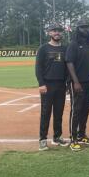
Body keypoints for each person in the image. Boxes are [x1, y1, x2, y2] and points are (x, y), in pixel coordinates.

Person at [66, 19, 89, 152]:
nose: (85, 29)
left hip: (88, 82)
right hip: (77, 83)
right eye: (82, 27)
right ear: (78, 29)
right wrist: (75, 82)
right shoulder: (73, 44)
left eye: (87, 27)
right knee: (76, 110)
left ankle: (82, 134)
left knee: (86, 109)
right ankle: (73, 138)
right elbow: (69, 63)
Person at [35, 23, 68, 151]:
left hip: (61, 85)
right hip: (47, 85)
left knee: (59, 113)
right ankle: (43, 139)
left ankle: (57, 137)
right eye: (54, 31)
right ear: (49, 33)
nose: (57, 33)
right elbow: (38, 68)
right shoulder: (43, 49)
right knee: (45, 113)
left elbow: (67, 68)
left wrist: (66, 84)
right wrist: (41, 83)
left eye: (59, 31)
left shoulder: (65, 49)